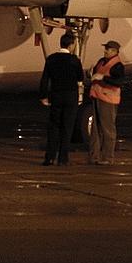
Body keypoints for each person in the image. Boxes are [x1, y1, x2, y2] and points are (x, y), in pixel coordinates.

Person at [38, 32, 85, 166]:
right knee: (67, 127)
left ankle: (49, 157)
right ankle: (63, 158)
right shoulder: (74, 60)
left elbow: (45, 79)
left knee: (53, 126)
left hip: (56, 95)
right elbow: (80, 78)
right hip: (70, 96)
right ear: (71, 45)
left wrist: (43, 96)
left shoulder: (51, 59)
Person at [88, 40, 125, 165]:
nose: (105, 51)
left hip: (108, 99)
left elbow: (119, 81)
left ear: (114, 51)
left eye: (108, 49)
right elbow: (96, 74)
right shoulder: (102, 61)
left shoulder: (118, 66)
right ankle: (94, 156)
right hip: (97, 97)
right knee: (95, 129)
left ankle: (108, 157)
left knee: (107, 129)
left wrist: (102, 77)